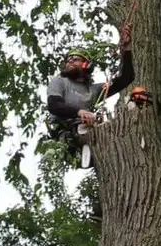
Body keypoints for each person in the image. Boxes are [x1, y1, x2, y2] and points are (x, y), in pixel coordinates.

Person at [46, 23, 134, 159]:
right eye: (68, 60)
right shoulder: (59, 82)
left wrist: (126, 48)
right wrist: (79, 112)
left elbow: (126, 78)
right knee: (79, 128)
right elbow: (54, 105)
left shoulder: (95, 90)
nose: (70, 62)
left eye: (75, 59)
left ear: (86, 65)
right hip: (66, 129)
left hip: (86, 127)